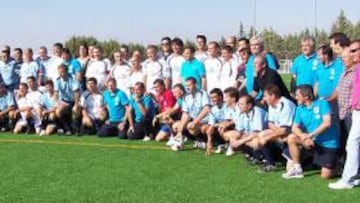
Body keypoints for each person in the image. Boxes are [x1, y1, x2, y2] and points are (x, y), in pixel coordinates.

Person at [283, 85, 339, 180]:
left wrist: (311, 135)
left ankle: (338, 165)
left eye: (297, 95)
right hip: (312, 142)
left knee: (325, 176)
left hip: (328, 144)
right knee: (291, 137)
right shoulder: (300, 108)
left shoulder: (322, 104)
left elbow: (327, 123)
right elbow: (294, 128)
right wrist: (303, 135)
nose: (295, 97)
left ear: (306, 96)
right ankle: (298, 168)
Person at [329, 39, 360, 189]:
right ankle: (352, 177)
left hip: (353, 112)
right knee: (352, 144)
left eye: (354, 51)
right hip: (351, 111)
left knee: (352, 143)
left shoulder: (356, 70)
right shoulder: (348, 70)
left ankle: (348, 179)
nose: (352, 54)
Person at [255, 84, 296, 172]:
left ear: (273, 96)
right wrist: (276, 134)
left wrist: (271, 136)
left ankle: (301, 160)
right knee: (262, 135)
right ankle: (271, 163)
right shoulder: (271, 105)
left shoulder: (286, 105)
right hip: (280, 132)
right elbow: (270, 123)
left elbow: (286, 129)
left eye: (265, 96)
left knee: (290, 169)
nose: (264, 99)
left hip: (291, 134)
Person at [172, 77, 210, 150]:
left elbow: (206, 109)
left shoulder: (203, 94)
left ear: (195, 84)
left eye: (189, 85)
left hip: (204, 121)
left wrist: (195, 121)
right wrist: (180, 131)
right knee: (176, 126)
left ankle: (203, 141)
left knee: (191, 126)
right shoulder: (186, 97)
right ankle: (195, 141)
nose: (187, 87)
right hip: (193, 120)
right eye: (186, 86)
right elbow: (185, 114)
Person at [54, 64, 80, 134]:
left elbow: (76, 93)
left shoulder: (73, 78)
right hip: (65, 101)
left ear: (67, 71)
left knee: (75, 110)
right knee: (58, 111)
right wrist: (56, 102)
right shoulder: (57, 80)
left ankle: (77, 129)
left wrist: (76, 104)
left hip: (75, 100)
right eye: (60, 72)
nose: (61, 74)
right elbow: (56, 93)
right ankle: (67, 129)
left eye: (63, 72)